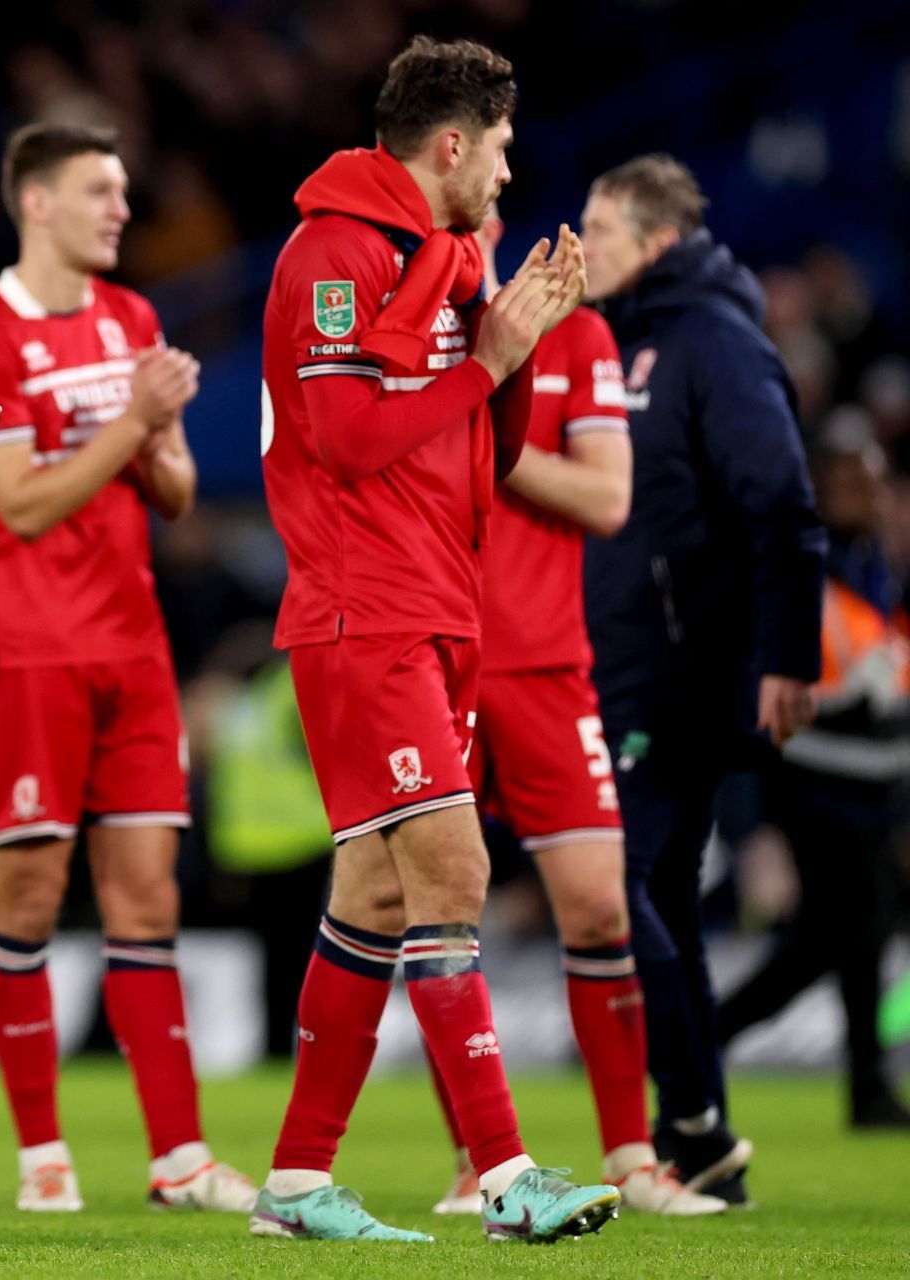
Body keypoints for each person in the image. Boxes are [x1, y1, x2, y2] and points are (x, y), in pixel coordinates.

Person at [251, 36, 621, 1244]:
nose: (512, 174)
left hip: (437, 601)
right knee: (453, 876)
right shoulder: (331, 253)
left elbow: (487, 452)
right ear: (451, 144)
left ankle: (300, 1182)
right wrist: (500, 355)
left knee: (370, 888)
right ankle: (507, 1174)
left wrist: (507, 356)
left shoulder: (456, 259)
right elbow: (352, 436)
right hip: (365, 609)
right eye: (503, 149)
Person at [0, 122, 253, 1215]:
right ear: (37, 202)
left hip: (134, 647)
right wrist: (135, 418)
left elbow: (171, 494)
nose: (122, 209)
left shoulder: (134, 317)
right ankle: (42, 1153)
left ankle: (179, 1154)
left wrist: (159, 436)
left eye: (124, 190)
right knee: (28, 893)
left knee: (148, 896)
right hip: (31, 648)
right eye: (100, 191)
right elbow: (19, 502)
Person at [424, 214, 724, 1217]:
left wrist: (482, 435)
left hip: (550, 663)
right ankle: (477, 1161)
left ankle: (633, 1158)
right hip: (436, 660)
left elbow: (604, 496)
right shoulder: (412, 328)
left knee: (600, 903)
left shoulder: (580, 337)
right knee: (440, 913)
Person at [581, 153, 827, 1203]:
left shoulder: (715, 344)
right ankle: (703, 1136)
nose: (580, 243)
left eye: (599, 227)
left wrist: (787, 654)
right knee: (662, 895)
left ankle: (687, 1115)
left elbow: (783, 502)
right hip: (624, 664)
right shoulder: (617, 342)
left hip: (687, 669)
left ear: (657, 242)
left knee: (610, 882)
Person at [717, 417, 910, 1130]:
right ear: (822, 491)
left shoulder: (870, 564)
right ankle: (715, 1037)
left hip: (870, 785)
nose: (874, 493)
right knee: (841, 937)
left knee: (848, 937)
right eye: (855, 480)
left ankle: (863, 1084)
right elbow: (768, 690)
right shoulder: (803, 568)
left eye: (878, 478)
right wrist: (753, 820)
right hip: (812, 783)